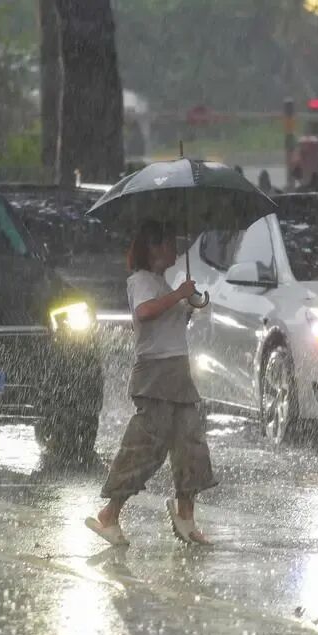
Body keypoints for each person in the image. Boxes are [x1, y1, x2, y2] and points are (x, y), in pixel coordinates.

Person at [85, 220, 217, 546]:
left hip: (177, 371)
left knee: (191, 444)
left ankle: (186, 514)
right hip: (155, 375)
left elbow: (169, 320)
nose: (176, 249)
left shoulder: (161, 281)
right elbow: (144, 313)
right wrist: (178, 295)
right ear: (156, 247)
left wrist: (189, 303)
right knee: (145, 448)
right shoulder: (142, 281)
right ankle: (109, 515)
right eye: (172, 242)